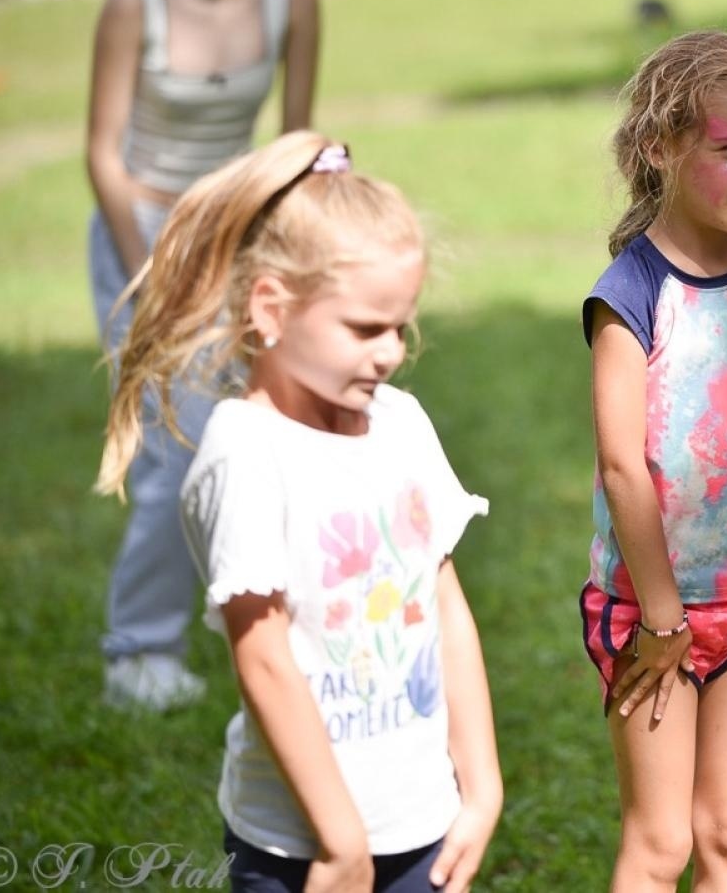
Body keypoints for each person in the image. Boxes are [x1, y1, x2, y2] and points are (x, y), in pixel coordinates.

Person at [96, 132, 501, 893]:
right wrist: (341, 841)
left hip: (425, 827)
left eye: (400, 326)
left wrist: (479, 787)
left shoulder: (403, 423)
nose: (389, 353)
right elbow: (264, 658)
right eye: (364, 328)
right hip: (299, 847)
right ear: (271, 308)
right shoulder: (247, 451)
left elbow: (443, 606)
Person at [86, 0, 321, 708]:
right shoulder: (132, 1)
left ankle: (258, 619)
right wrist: (153, 270)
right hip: (141, 228)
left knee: (276, 428)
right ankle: (136, 652)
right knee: (175, 443)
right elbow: (101, 155)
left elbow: (294, 144)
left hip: (241, 227)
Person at [580, 30, 727, 891]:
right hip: (651, 615)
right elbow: (622, 468)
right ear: (661, 148)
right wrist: (664, 616)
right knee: (659, 846)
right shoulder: (630, 296)